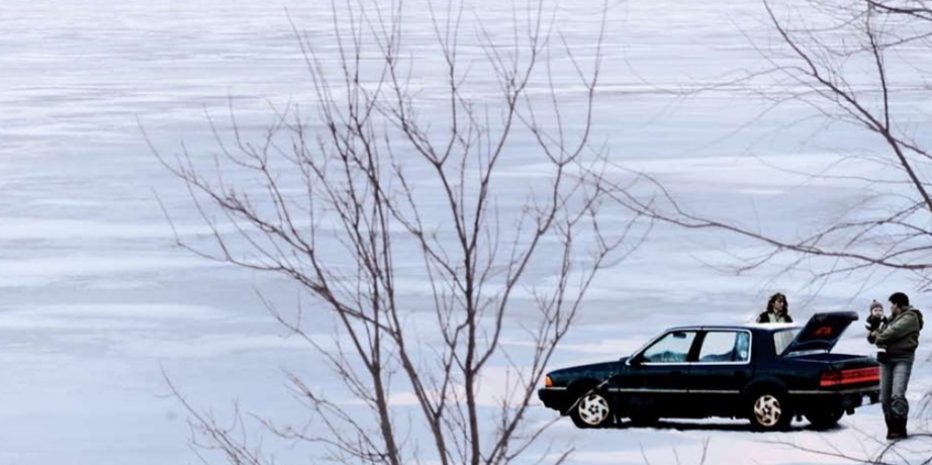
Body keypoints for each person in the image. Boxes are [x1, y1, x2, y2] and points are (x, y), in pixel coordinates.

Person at [868, 292, 923, 440]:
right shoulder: (890, 319)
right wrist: (875, 332)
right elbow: (875, 334)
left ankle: (899, 428)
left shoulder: (910, 318)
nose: (890, 307)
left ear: (898, 305)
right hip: (886, 359)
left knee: (897, 394)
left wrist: (878, 335)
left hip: (902, 359)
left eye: (892, 304)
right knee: (885, 397)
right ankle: (891, 427)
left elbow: (889, 334)